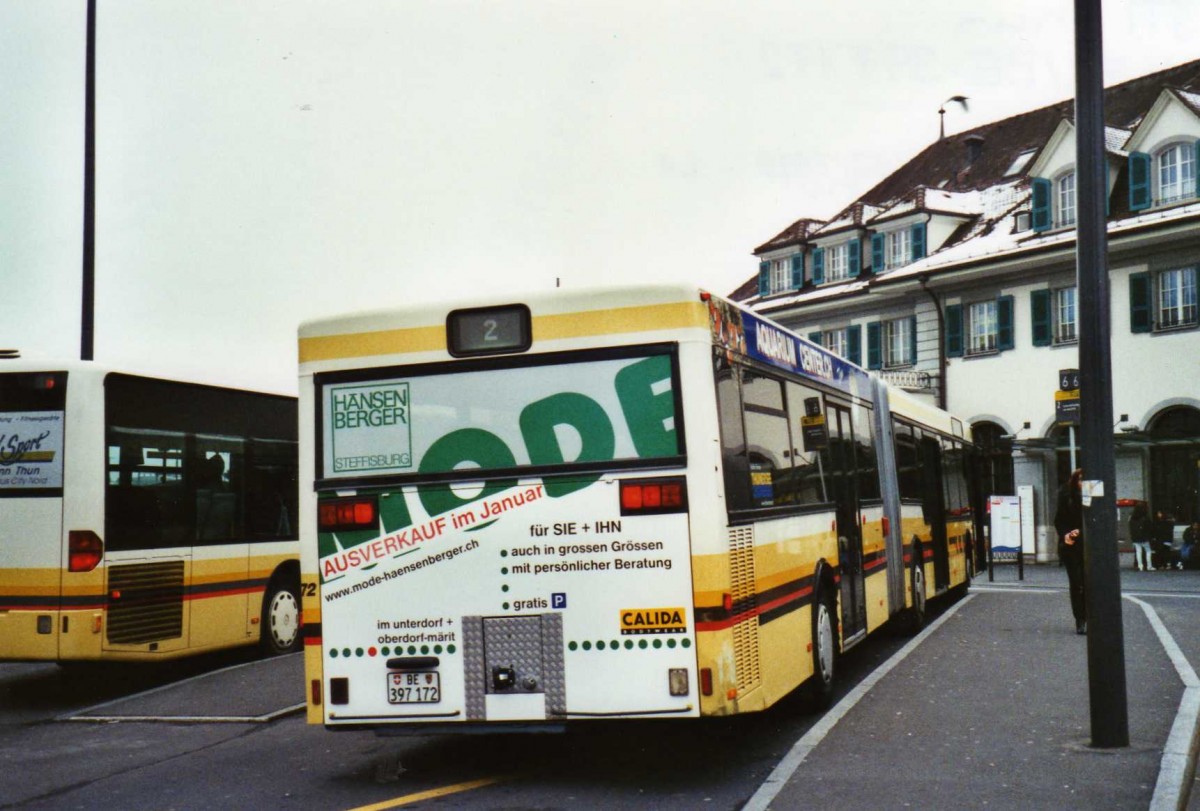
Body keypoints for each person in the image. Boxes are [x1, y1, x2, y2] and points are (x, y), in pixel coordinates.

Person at [1054, 469, 1087, 635]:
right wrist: (1067, 534)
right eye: (1081, 479)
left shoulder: (1093, 497)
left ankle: (1088, 617)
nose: (1083, 483)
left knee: (1089, 583)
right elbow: (1059, 520)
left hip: (1089, 546)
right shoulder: (1067, 497)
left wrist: (1081, 531)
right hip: (1072, 546)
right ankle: (1080, 620)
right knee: (1076, 583)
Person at [1129, 504, 1154, 571]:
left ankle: (1140, 566)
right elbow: (1150, 528)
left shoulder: (1132, 518)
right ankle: (1149, 566)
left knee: (1138, 552)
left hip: (1135, 538)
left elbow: (1131, 528)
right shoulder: (1145, 518)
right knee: (1148, 551)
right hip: (1144, 537)